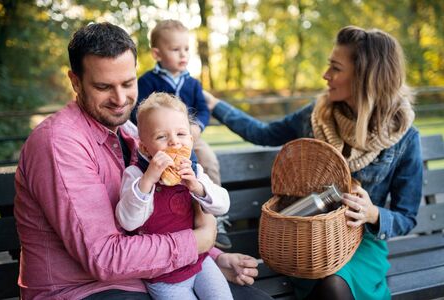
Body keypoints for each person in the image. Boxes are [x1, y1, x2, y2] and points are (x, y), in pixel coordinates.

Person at [14, 22, 272, 300]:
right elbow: (104, 258)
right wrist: (200, 241)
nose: (120, 99)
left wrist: (213, 256)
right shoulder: (59, 144)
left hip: (155, 276)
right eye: (103, 86)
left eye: (128, 83)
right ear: (75, 82)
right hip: (82, 291)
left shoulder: (132, 133)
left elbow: (161, 218)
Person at [205, 25, 423, 300]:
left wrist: (374, 214)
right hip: (308, 240)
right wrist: (214, 105)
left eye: (335, 68)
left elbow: (407, 216)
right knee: (328, 282)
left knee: (335, 284)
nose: (325, 75)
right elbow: (263, 133)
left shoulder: (403, 136)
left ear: (364, 78)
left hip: (360, 244)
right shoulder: (316, 115)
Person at [116, 92, 232, 299]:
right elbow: (128, 222)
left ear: (190, 137)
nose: (174, 143)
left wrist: (197, 187)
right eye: (161, 136)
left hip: (200, 262)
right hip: (163, 275)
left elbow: (222, 206)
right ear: (145, 147)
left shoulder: (193, 171)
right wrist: (148, 180)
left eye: (181, 134)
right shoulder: (135, 175)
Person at [131, 19, 232, 250]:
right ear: (157, 53)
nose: (183, 54)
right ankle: (167, 219)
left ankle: (215, 217)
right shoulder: (147, 82)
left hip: (191, 137)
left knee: (207, 161)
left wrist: (198, 127)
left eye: (186, 49)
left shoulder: (192, 83)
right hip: (161, 144)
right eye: (175, 49)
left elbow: (204, 110)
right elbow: (139, 114)